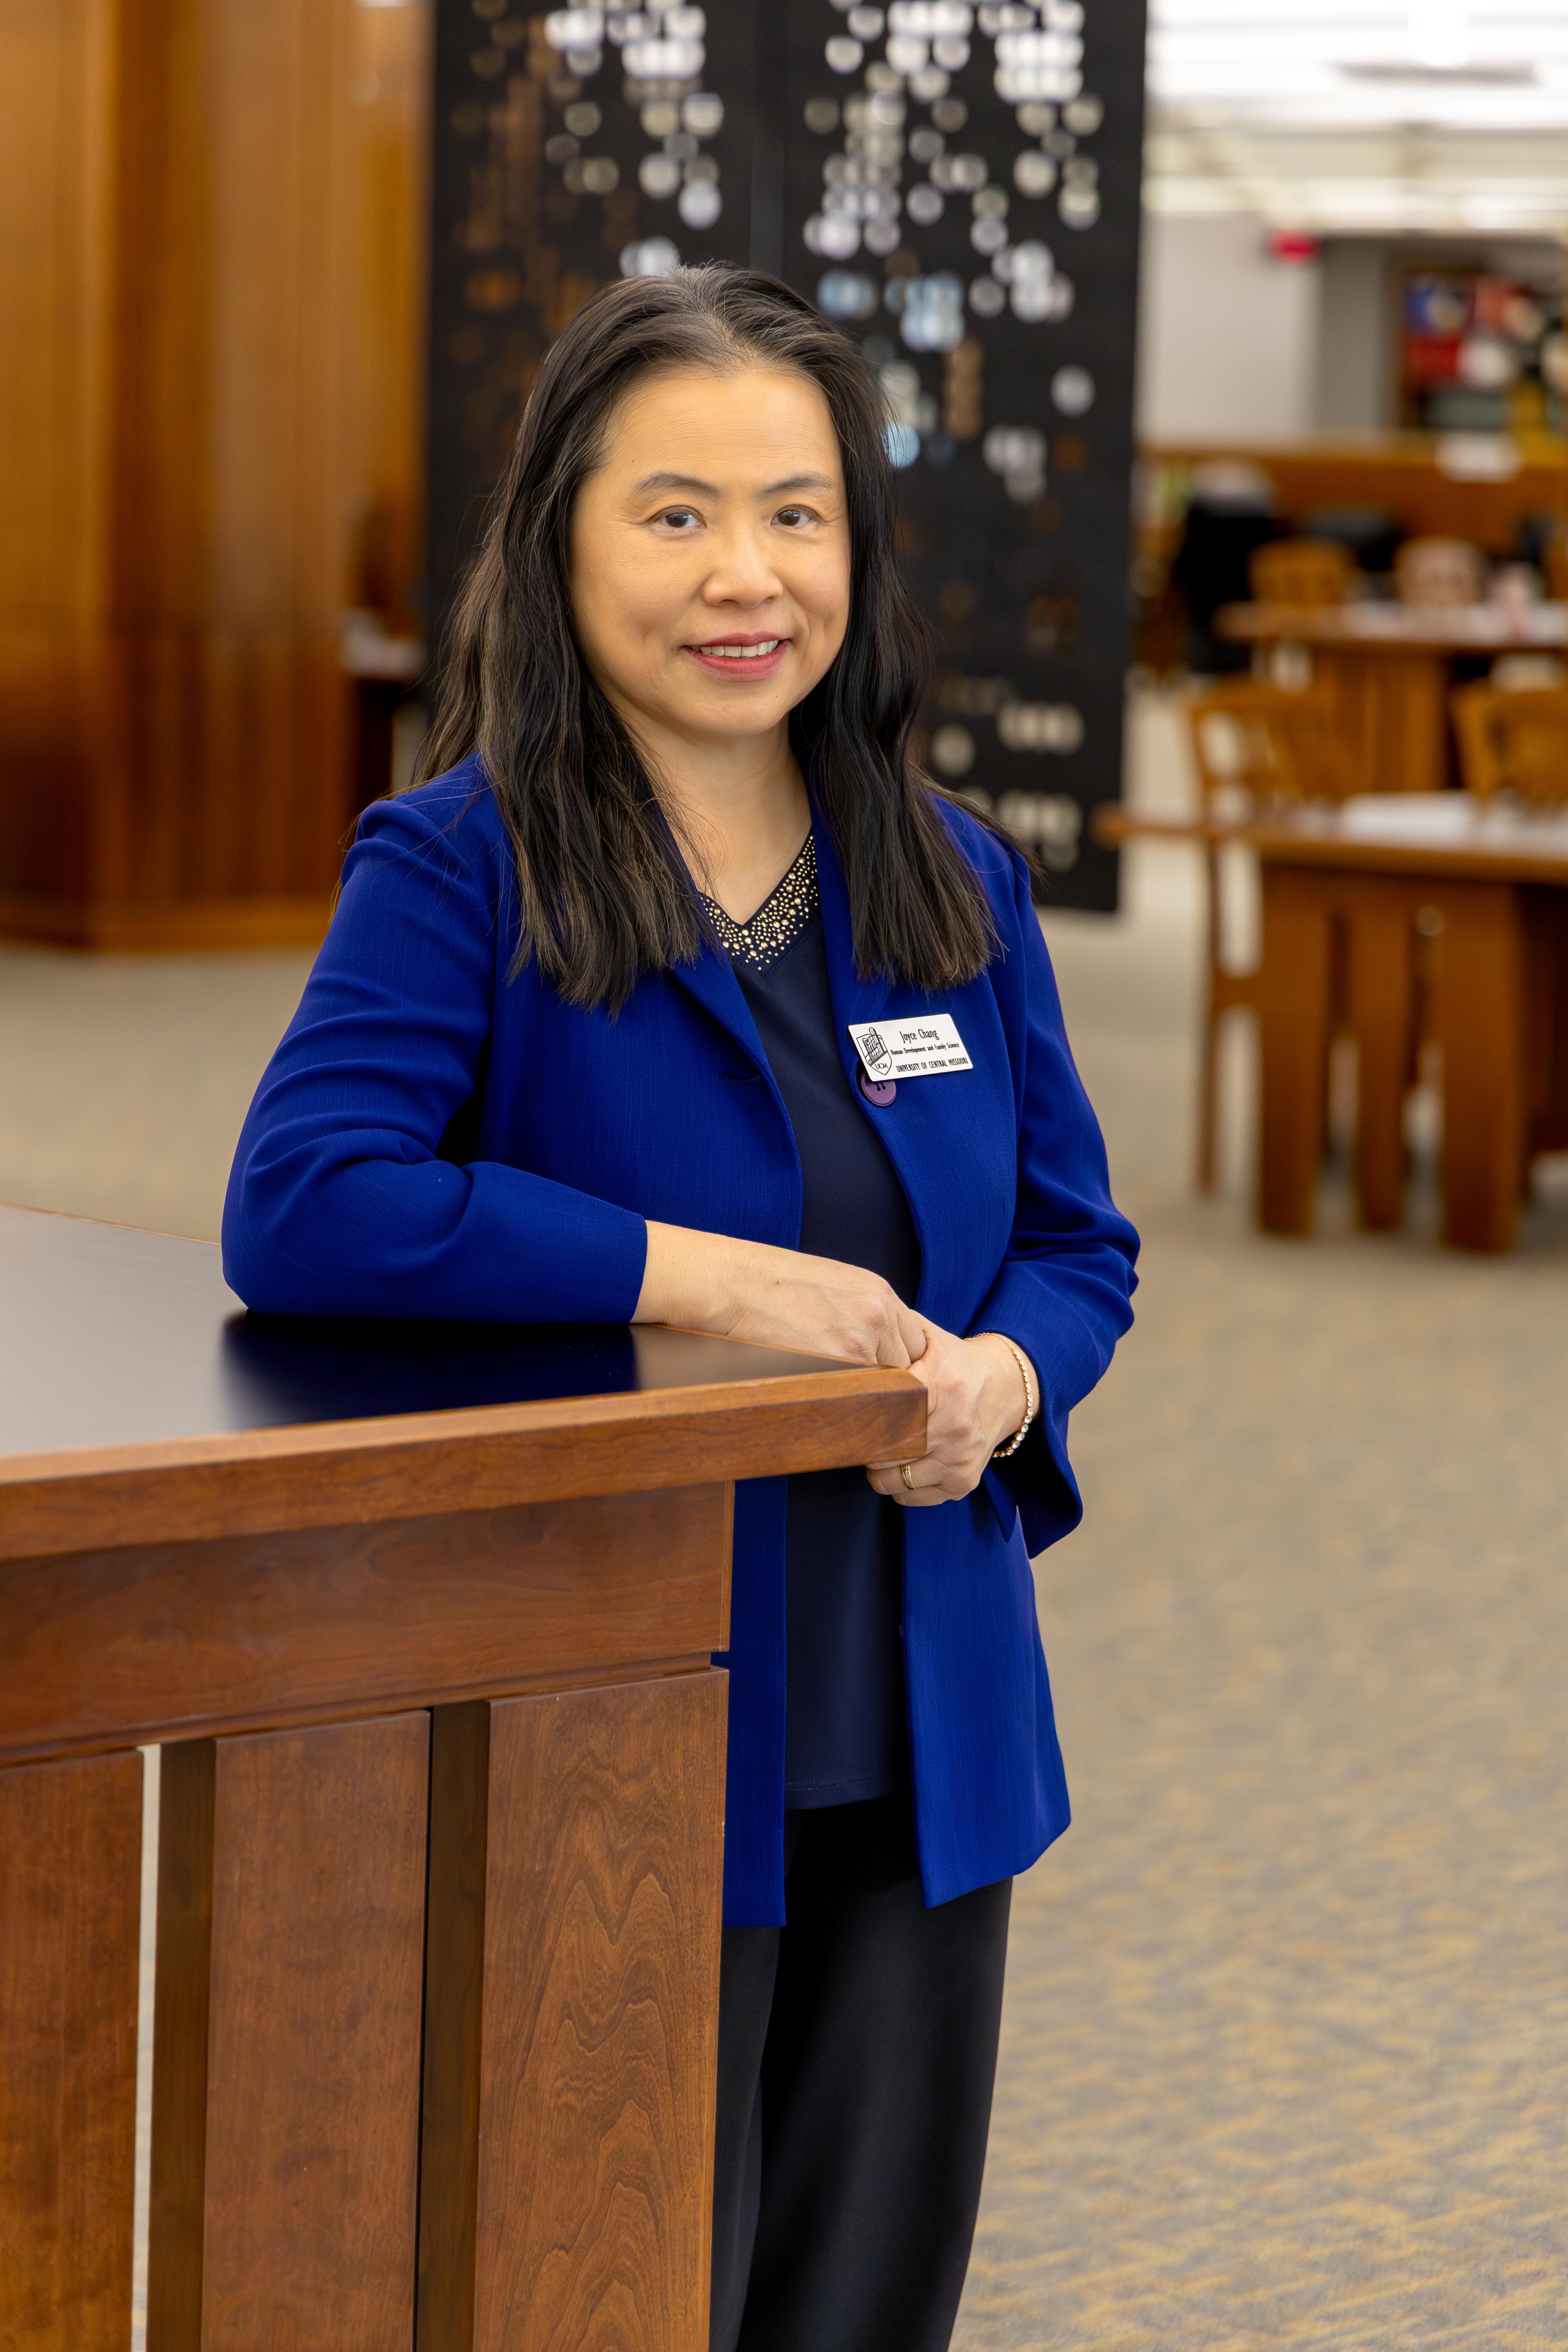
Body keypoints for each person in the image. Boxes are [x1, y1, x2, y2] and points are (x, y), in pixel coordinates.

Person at [223, 263, 1138, 2352]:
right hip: (616, 1710)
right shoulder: (463, 864)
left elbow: (1082, 1248)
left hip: (927, 1707)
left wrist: (998, 1378)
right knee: (619, 2283)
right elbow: (308, 1202)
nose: (750, 575)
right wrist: (732, 1292)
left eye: (797, 513)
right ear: (561, 536)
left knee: (864, 2295)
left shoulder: (949, 876)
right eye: (677, 513)